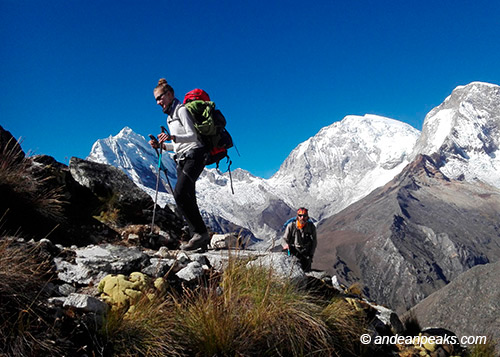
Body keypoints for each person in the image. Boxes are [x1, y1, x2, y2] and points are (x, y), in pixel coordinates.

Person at [149, 78, 209, 251]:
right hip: (182, 157)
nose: (159, 102)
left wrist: (171, 137)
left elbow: (192, 135)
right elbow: (177, 145)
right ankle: (199, 238)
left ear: (170, 94)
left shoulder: (181, 110)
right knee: (188, 196)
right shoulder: (170, 117)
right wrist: (162, 146)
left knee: (180, 194)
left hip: (195, 154)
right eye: (156, 100)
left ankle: (199, 233)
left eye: (160, 97)